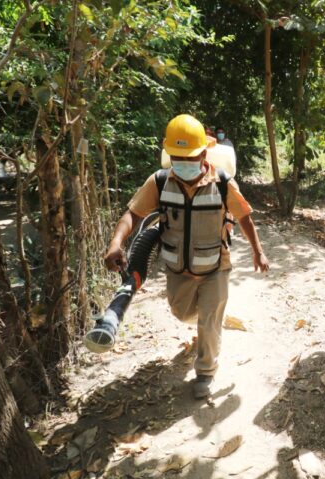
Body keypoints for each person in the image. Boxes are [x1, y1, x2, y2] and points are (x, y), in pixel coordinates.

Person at [103, 114, 270, 398]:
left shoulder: (221, 182)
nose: (183, 163)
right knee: (182, 313)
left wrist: (258, 251)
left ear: (204, 153)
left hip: (216, 265)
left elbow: (244, 217)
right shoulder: (159, 182)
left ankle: (205, 372)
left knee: (209, 319)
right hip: (177, 267)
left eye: (189, 157)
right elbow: (133, 213)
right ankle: (206, 322)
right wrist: (116, 243)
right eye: (176, 156)